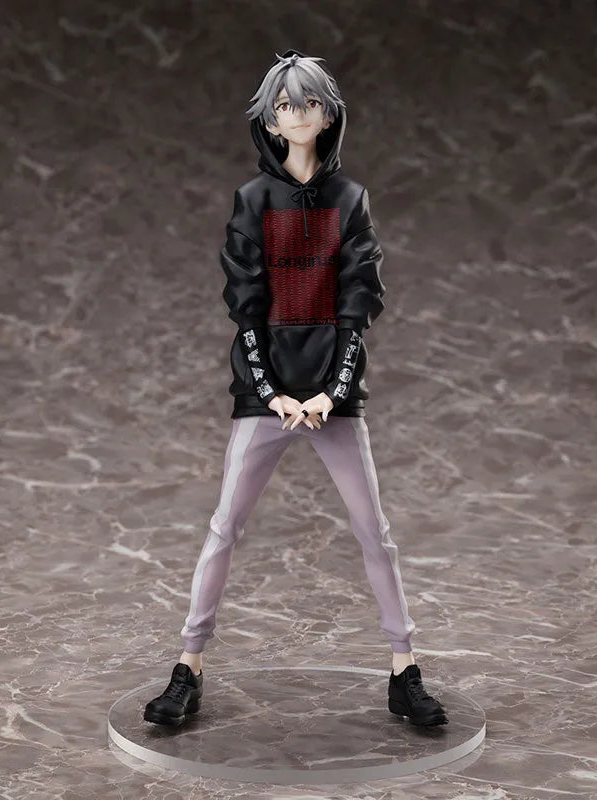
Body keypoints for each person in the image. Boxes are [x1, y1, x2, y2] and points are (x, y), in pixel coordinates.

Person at [144, 49, 448, 728]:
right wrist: (272, 391)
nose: (298, 113)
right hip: (267, 394)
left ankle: (404, 669)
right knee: (224, 527)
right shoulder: (253, 200)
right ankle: (188, 665)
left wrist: (332, 392)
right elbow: (245, 305)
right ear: (271, 120)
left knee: (374, 532)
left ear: (328, 113)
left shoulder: (350, 199)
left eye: (309, 102)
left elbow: (358, 305)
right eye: (285, 104)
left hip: (333, 396)